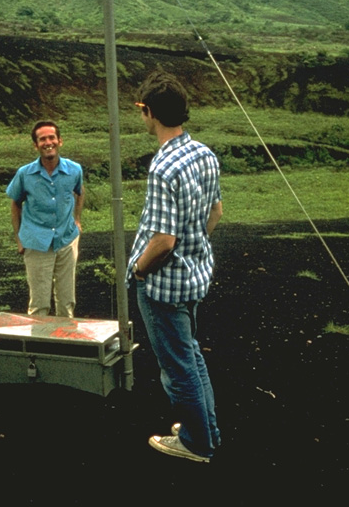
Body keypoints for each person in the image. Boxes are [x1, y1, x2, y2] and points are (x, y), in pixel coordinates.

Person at [127, 70, 223, 463]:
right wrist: (194, 245)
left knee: (178, 366)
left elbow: (163, 241)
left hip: (164, 285)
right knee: (192, 357)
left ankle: (196, 444)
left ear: (148, 112)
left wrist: (140, 270)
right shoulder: (204, 153)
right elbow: (214, 212)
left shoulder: (163, 167)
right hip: (194, 275)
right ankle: (206, 430)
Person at [6, 120, 84, 318]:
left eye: (52, 138)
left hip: (66, 239)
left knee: (67, 302)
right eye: (42, 139)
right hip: (36, 241)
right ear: (36, 145)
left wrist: (77, 220)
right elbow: (16, 203)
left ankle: (65, 345)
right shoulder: (25, 174)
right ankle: (38, 347)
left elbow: (79, 192)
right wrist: (19, 238)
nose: (48, 142)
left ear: (60, 141)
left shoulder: (74, 170)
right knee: (39, 304)